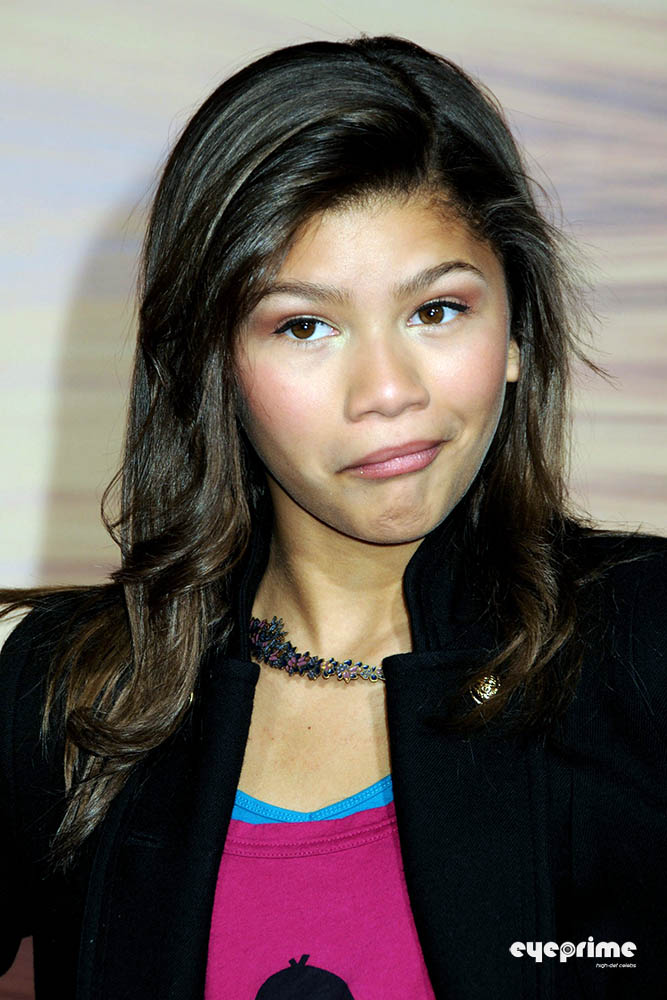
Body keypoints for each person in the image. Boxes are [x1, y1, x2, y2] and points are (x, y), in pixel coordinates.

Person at [0, 34, 665, 1000]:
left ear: (516, 330)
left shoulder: (644, 642)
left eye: (437, 310)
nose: (387, 391)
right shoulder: (70, 694)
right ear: (214, 368)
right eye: (304, 325)